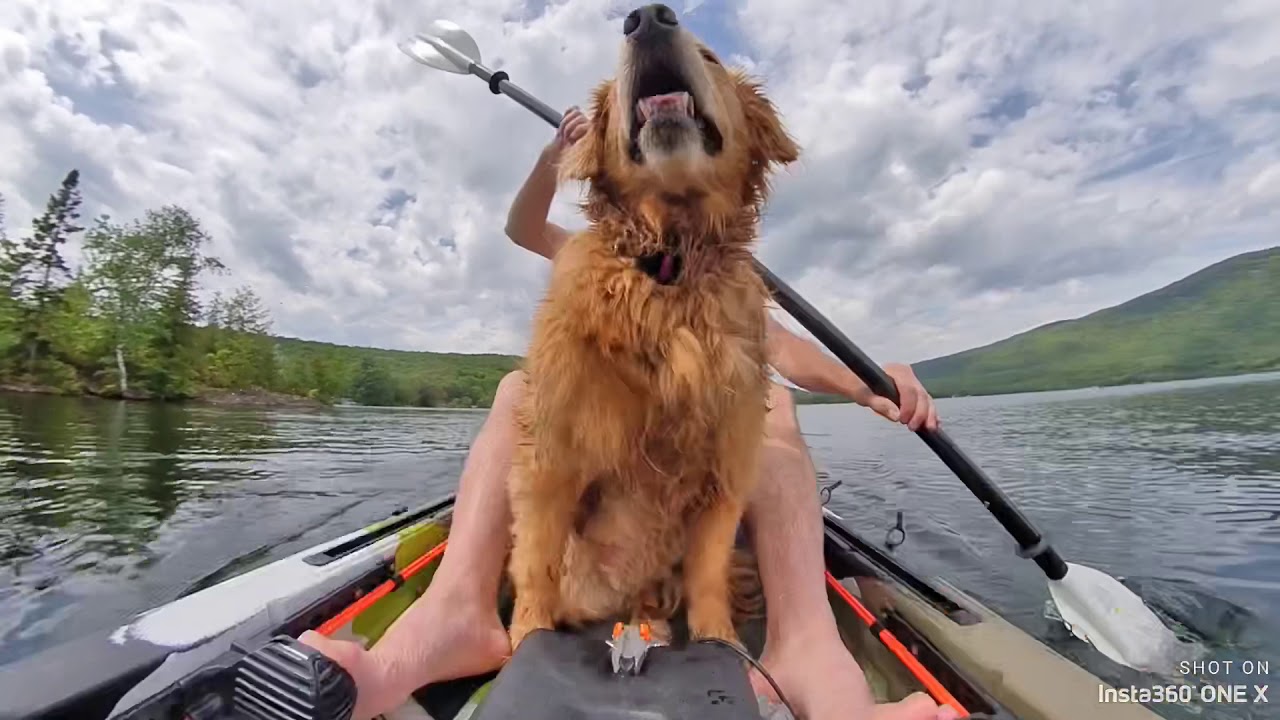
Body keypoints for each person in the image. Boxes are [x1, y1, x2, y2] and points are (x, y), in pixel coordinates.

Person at [301, 106, 951, 720]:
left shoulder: (726, 279)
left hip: (694, 514)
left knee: (773, 402)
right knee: (517, 389)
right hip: (601, 507)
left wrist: (863, 382)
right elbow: (522, 229)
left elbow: (784, 351)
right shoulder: (597, 256)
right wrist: (554, 156)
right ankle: (456, 611)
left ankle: (806, 647)